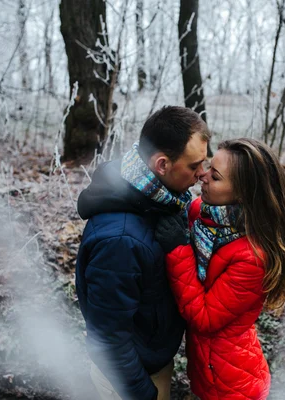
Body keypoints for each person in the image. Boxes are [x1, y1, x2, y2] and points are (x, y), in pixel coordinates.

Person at [74, 106, 210, 400]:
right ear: (162, 164)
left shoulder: (160, 200)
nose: (202, 174)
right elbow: (108, 340)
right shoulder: (121, 240)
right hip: (129, 379)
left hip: (152, 358)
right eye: (194, 165)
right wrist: (142, 393)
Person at [155, 138, 285, 400]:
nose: (202, 175)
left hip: (232, 385)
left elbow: (204, 318)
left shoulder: (253, 258)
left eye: (216, 175)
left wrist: (178, 251)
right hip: (209, 370)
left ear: (243, 193)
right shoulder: (208, 214)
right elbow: (173, 202)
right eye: (208, 167)